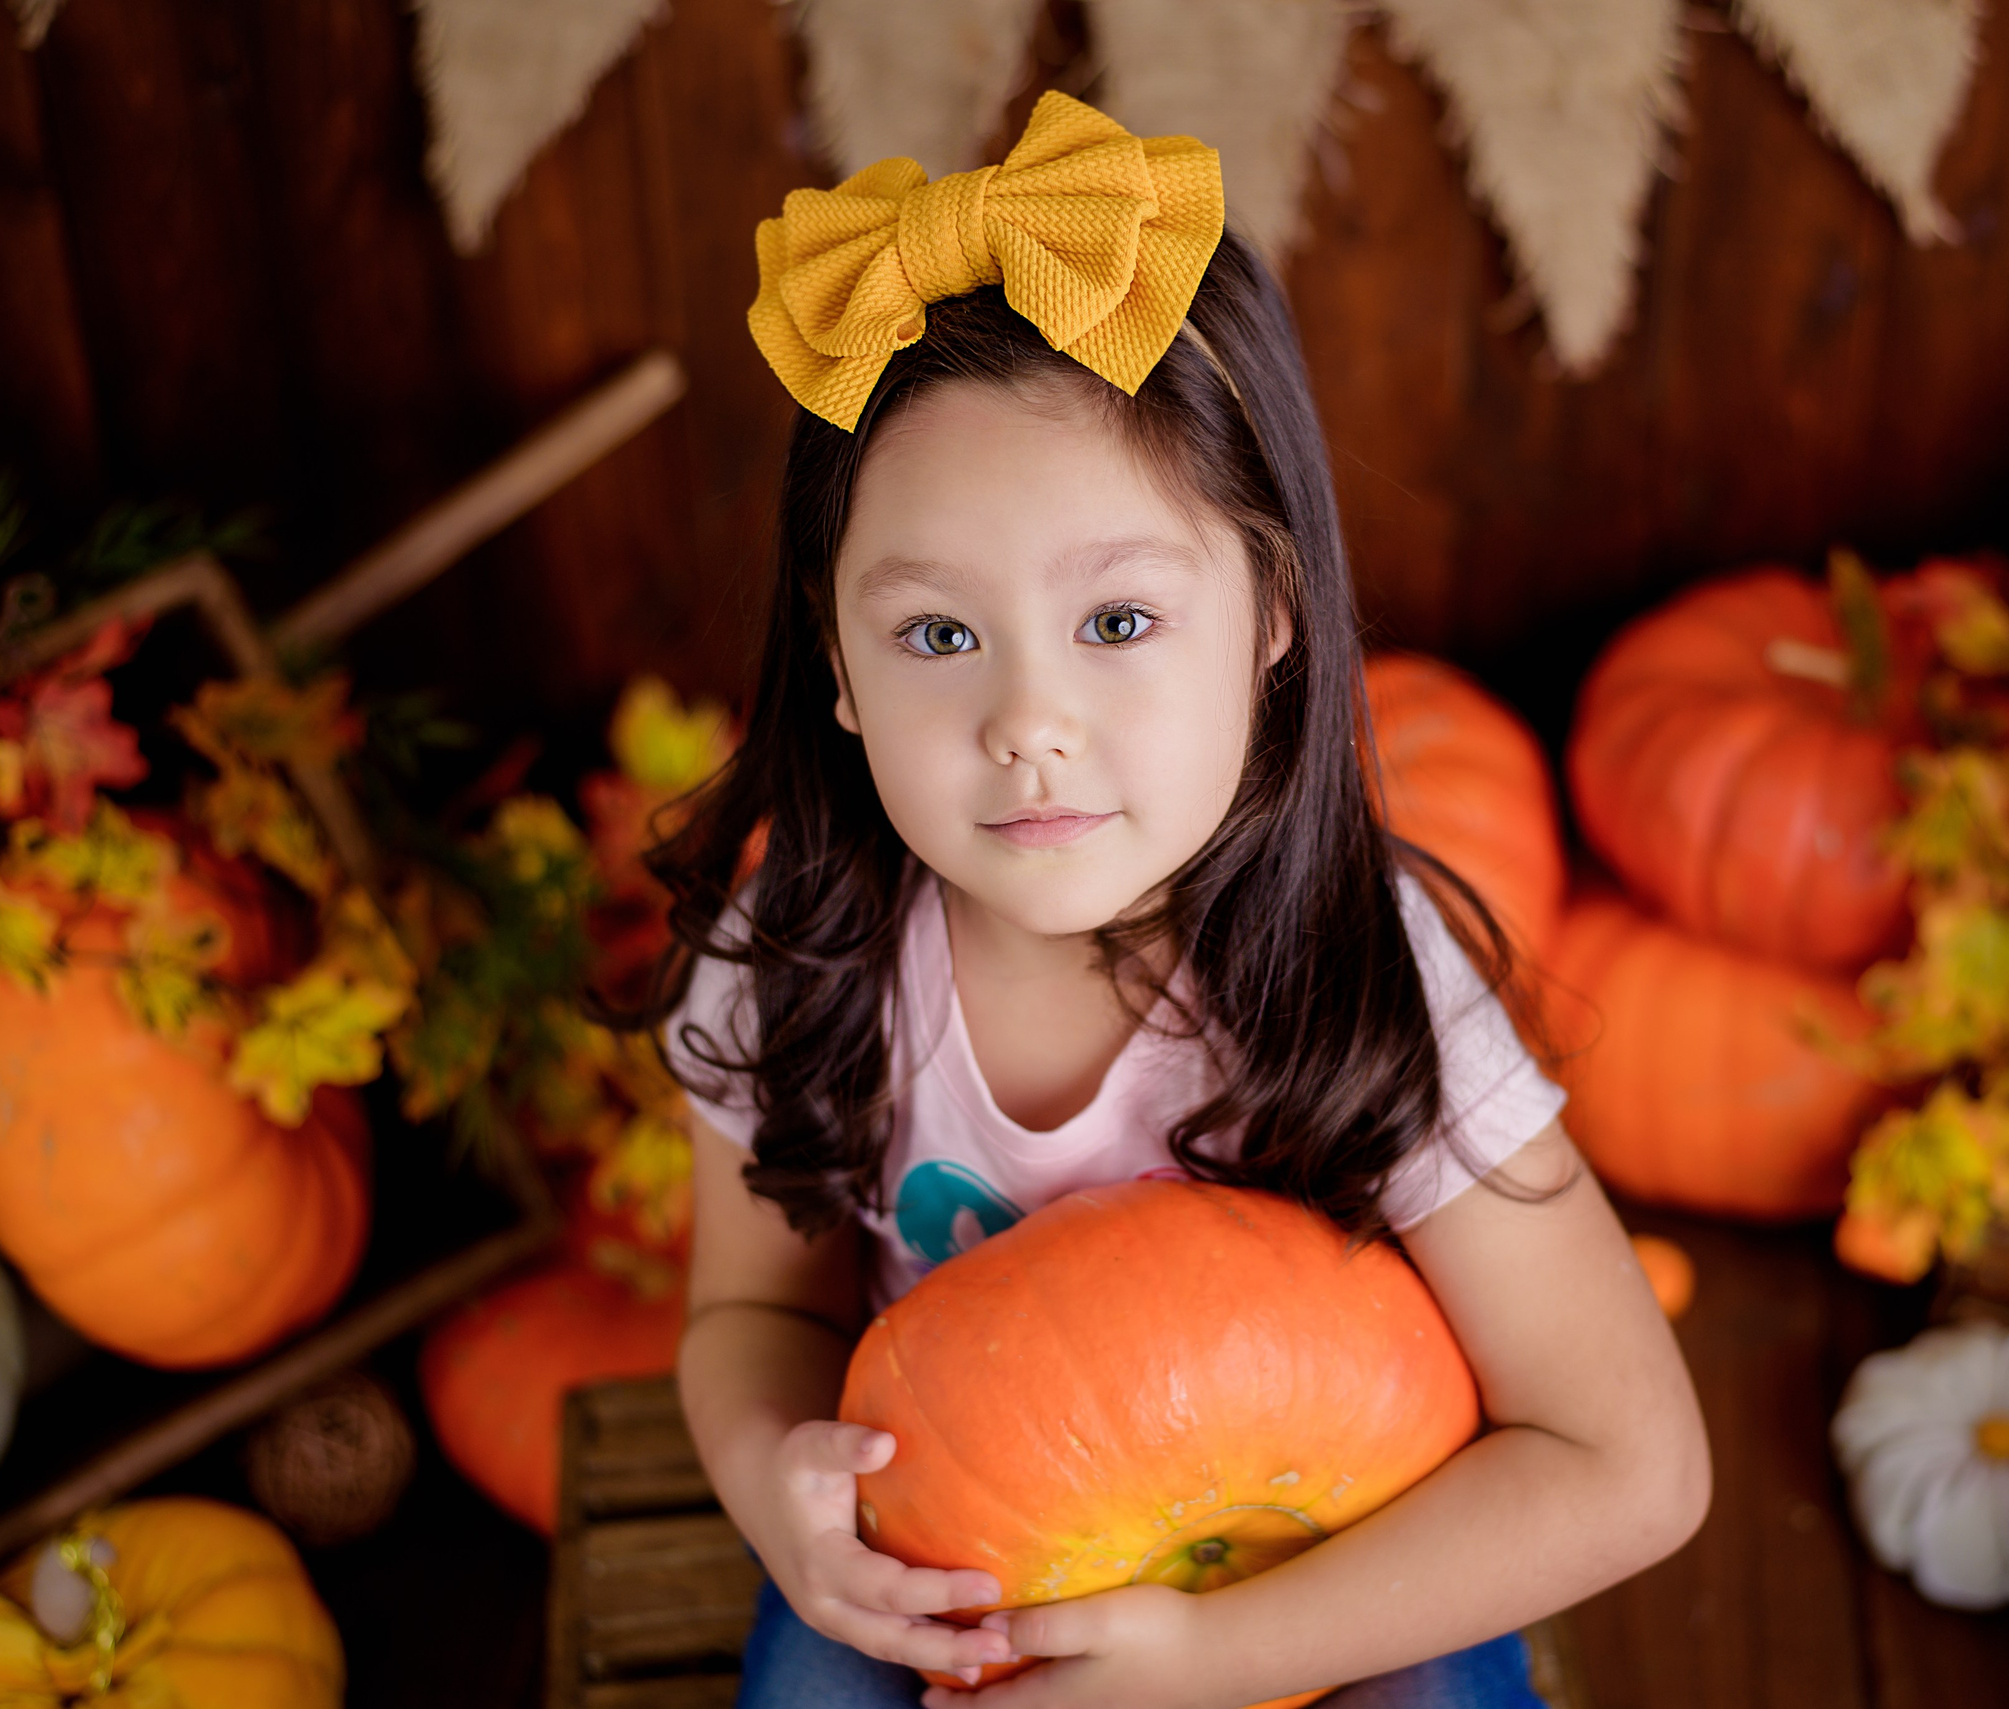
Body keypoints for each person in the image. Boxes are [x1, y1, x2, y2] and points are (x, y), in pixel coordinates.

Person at [648, 91, 1710, 1709]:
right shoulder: (798, 957)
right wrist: (779, 1489)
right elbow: (748, 1311)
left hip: (1325, 1554)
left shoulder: (1369, 981)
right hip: (971, 1555)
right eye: (939, 635)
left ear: (1273, 610)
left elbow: (1631, 1460)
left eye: (1120, 620)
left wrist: (1222, 1657)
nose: (1028, 721)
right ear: (837, 662)